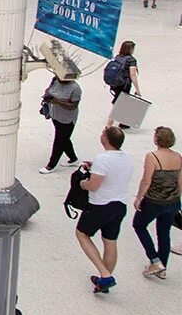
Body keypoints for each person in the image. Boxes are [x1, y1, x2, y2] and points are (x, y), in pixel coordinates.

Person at [76, 126, 134, 293]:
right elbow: (114, 170)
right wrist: (95, 167)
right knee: (110, 242)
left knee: (82, 234)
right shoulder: (127, 157)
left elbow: (93, 186)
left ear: (105, 140)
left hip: (100, 206)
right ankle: (104, 280)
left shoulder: (103, 159)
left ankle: (105, 274)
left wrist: (83, 184)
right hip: (119, 205)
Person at [132, 126, 181, 280]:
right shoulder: (178, 157)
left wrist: (139, 198)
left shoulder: (152, 156)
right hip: (173, 201)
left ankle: (154, 260)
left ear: (156, 139)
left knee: (139, 225)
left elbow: (146, 181)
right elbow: (180, 182)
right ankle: (162, 268)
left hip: (154, 201)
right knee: (164, 233)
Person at [39, 72, 82, 174]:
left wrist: (57, 101)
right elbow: (49, 90)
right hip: (55, 115)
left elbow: (73, 106)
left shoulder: (75, 88)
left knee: (59, 141)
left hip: (67, 119)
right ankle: (73, 159)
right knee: (64, 139)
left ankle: (51, 165)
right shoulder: (55, 80)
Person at [104, 40, 141, 128]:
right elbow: (133, 75)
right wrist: (137, 89)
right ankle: (109, 125)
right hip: (124, 84)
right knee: (118, 104)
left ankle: (124, 122)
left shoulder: (118, 57)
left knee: (122, 102)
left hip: (115, 84)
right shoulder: (131, 60)